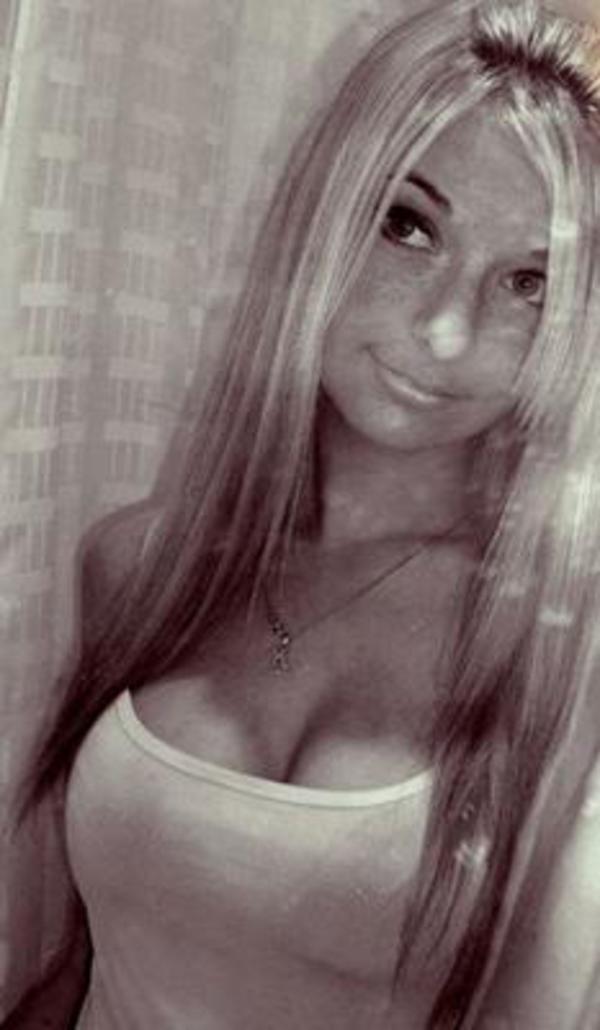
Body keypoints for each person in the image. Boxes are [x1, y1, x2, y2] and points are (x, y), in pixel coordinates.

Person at [4, 0, 600, 1026]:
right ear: (321, 217)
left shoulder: (560, 654)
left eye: (527, 283)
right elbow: (80, 964)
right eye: (409, 226)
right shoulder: (138, 563)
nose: (447, 332)